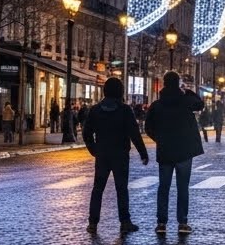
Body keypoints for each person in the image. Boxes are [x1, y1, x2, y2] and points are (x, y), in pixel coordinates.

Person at [84, 77, 150, 234]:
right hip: (120, 154)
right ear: (120, 91)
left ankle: (93, 223)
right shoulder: (125, 110)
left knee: (98, 189)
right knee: (122, 189)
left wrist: (94, 150)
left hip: (102, 154)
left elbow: (87, 133)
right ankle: (125, 222)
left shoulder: (95, 110)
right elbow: (134, 133)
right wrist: (142, 152)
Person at [145, 71, 204, 235]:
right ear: (178, 83)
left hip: (165, 151)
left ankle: (161, 222)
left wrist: (159, 139)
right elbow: (200, 104)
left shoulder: (157, 104)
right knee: (182, 187)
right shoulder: (185, 101)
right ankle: (182, 222)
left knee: (163, 187)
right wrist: (187, 91)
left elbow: (148, 126)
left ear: (164, 83)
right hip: (184, 150)